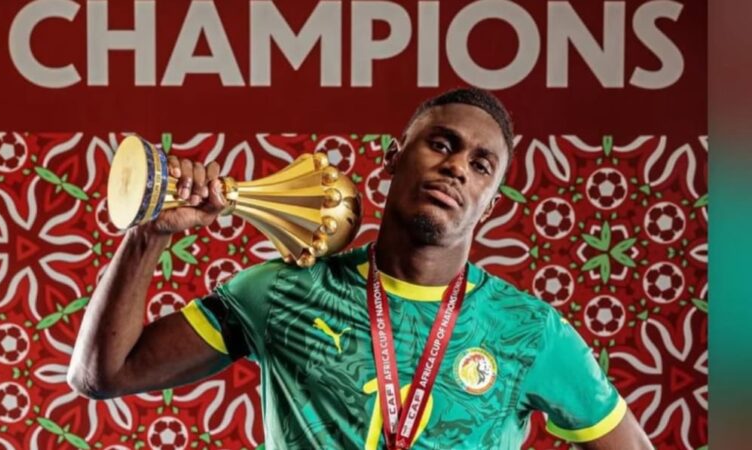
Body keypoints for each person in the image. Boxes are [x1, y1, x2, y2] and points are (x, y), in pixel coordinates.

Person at [68, 88, 653, 449]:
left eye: (481, 165)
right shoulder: (281, 291)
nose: (457, 170)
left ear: (490, 202)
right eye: (442, 145)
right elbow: (103, 376)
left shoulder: (530, 333)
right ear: (394, 158)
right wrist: (149, 237)